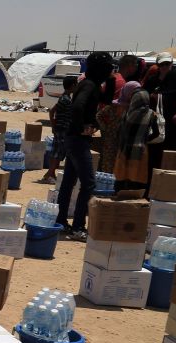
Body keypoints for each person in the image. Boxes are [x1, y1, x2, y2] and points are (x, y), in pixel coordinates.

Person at [56, 52, 113, 240]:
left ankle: (61, 221)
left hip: (73, 140)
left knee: (68, 182)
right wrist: (83, 127)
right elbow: (78, 107)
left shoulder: (88, 83)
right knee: (88, 184)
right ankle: (78, 226)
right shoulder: (89, 85)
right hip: (79, 140)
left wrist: (111, 80)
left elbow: (107, 98)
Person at [114, 83, 160, 193]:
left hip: (124, 149)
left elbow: (119, 131)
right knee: (136, 176)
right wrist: (144, 140)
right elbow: (156, 133)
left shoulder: (127, 113)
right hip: (140, 151)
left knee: (122, 175)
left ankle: (118, 196)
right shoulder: (151, 114)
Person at [41, 75, 77, 183]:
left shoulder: (65, 97)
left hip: (61, 129)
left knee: (58, 152)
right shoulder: (65, 99)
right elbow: (52, 111)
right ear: (72, 86)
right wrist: (53, 126)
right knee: (58, 152)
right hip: (61, 130)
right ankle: (49, 174)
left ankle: (51, 173)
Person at [96, 81, 137, 173]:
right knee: (108, 166)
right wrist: (106, 128)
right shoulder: (114, 106)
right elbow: (99, 116)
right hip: (111, 140)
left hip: (124, 142)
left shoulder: (133, 107)